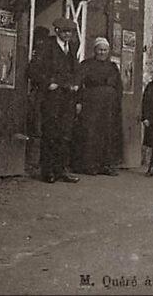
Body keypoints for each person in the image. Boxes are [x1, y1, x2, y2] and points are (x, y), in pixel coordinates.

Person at [28, 17, 82, 184]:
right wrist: (48, 83)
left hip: (67, 98)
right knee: (50, 133)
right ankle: (48, 171)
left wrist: (76, 84)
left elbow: (76, 71)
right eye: (65, 31)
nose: (68, 35)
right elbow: (32, 70)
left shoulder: (71, 48)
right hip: (52, 97)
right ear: (57, 31)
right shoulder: (47, 46)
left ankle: (61, 170)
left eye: (70, 32)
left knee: (65, 134)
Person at [71, 37, 122, 176]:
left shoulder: (113, 67)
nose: (102, 52)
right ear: (95, 50)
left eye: (105, 50)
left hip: (108, 106)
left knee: (108, 134)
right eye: (100, 49)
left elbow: (119, 86)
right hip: (91, 104)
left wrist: (117, 103)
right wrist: (79, 101)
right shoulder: (86, 64)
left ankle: (106, 165)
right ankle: (90, 165)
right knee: (91, 134)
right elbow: (79, 83)